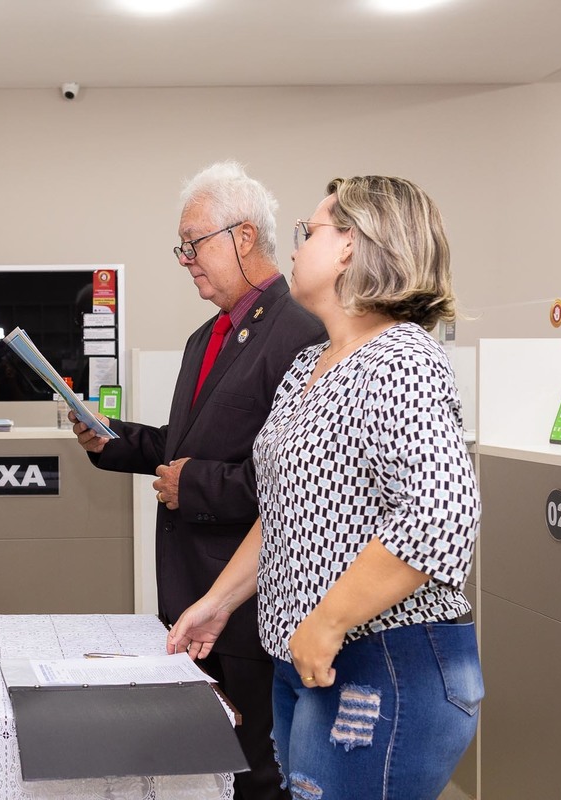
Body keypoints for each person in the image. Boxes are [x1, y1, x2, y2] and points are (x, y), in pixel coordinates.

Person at [168, 176, 483, 799]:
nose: (294, 248)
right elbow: (285, 510)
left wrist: (328, 622)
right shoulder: (307, 367)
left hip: (382, 661)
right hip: (308, 656)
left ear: (350, 246)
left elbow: (440, 514)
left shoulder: (402, 359)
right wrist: (219, 601)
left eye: (307, 231)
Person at [71, 161, 324, 800]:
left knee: (256, 775)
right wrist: (112, 439)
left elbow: (301, 481)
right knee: (205, 771)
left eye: (194, 243)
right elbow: (186, 447)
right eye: (181, 247)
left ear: (244, 236)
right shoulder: (204, 336)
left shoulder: (303, 333)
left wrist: (199, 486)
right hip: (192, 598)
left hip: (249, 608)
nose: (185, 259)